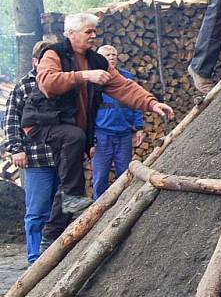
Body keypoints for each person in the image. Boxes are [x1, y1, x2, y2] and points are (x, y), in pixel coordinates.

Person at [21, 13, 175, 217]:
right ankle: (72, 200)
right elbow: (48, 84)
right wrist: (84, 75)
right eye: (88, 31)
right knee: (74, 140)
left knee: (69, 175)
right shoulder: (53, 54)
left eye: (95, 31)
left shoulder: (97, 61)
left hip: (70, 127)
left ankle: (53, 233)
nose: (94, 35)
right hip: (41, 122)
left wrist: (151, 103)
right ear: (71, 34)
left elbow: (123, 86)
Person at [2, 40, 59, 264]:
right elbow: (11, 120)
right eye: (46, 60)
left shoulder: (61, 82)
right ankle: (35, 258)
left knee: (62, 209)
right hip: (36, 159)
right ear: (35, 61)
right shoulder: (24, 86)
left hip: (62, 157)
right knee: (37, 211)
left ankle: (58, 255)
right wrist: (16, 148)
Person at [91, 45, 145, 199]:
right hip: (102, 135)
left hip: (124, 135)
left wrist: (139, 127)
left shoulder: (127, 78)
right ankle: (97, 210)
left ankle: (123, 206)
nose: (112, 57)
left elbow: (137, 102)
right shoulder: (94, 80)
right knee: (100, 176)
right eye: (107, 55)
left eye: (114, 54)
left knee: (125, 176)